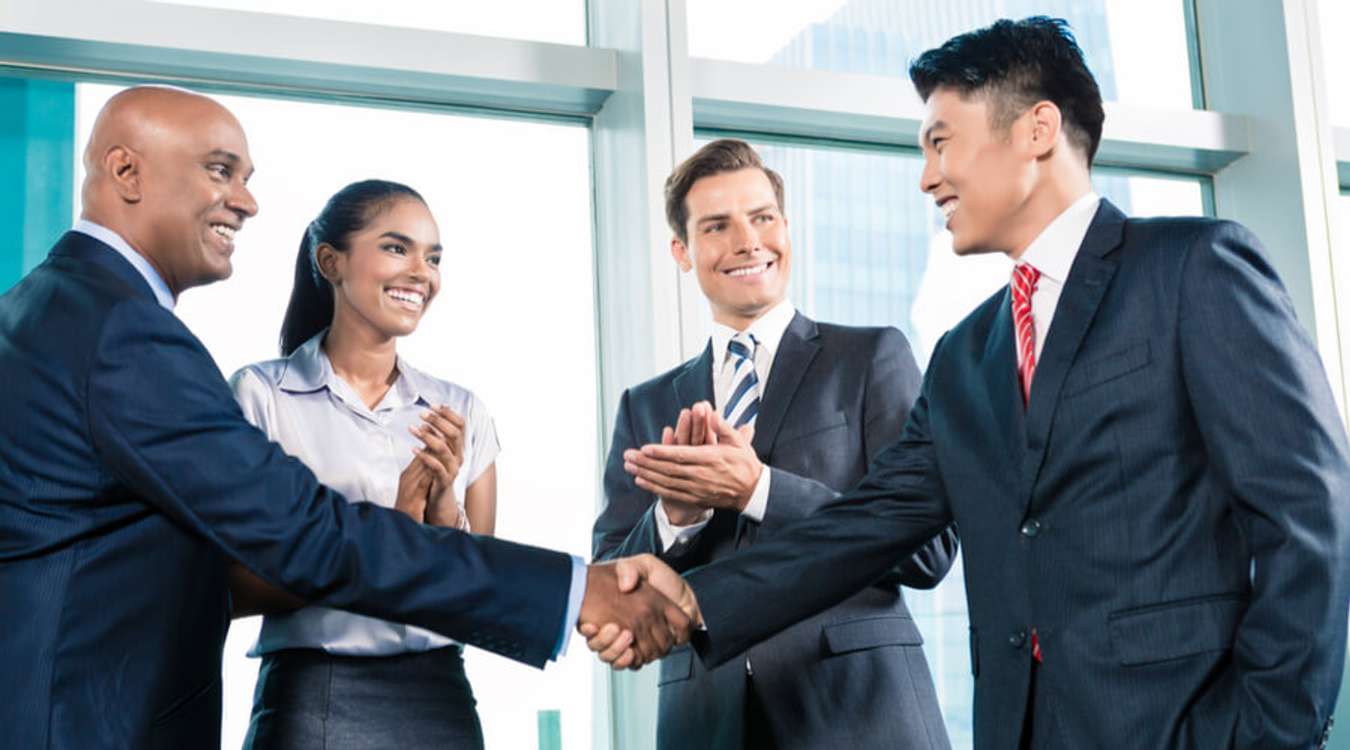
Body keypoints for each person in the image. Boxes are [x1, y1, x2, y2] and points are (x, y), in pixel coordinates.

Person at [595, 17, 1350, 750]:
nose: (927, 178)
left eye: (940, 143)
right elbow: (867, 526)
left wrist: (1270, 729)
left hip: (1187, 723)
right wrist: (695, 598)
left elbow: (1309, 509)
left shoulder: (1193, 269)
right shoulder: (966, 356)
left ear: (1036, 131)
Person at [0, 85, 689, 749]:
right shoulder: (125, 332)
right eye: (220, 171)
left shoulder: (49, 309)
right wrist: (576, 591)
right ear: (125, 170)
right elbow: (297, 537)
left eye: (247, 176)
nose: (248, 202)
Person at [592, 139, 958, 749]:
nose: (746, 240)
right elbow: (609, 586)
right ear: (682, 251)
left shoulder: (871, 359)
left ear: (786, 228)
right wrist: (674, 517)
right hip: (706, 722)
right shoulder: (646, 405)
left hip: (858, 714)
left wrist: (758, 489)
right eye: (717, 226)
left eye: (761, 218)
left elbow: (929, 550)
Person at [224, 180, 500, 748]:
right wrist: (390, 530)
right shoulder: (261, 396)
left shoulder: (460, 411)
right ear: (331, 261)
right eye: (397, 248)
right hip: (315, 697)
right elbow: (231, 585)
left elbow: (479, 600)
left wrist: (444, 511)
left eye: (433, 257)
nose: (421, 272)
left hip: (441, 699)